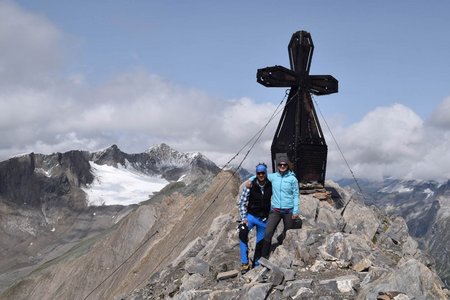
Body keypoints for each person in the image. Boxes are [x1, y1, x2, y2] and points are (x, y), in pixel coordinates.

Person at [246, 154, 300, 259]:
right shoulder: (273, 176)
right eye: (280, 164)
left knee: (288, 233)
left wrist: (296, 211)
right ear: (277, 165)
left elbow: (296, 195)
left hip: (289, 211)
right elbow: (261, 176)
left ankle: (285, 256)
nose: (282, 166)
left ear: (287, 165)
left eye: (284, 164)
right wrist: (250, 179)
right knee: (268, 233)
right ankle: (264, 257)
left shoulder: (293, 179)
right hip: (275, 210)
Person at [238, 163, 272, 274]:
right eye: (259, 173)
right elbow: (242, 202)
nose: (261, 175)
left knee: (260, 243)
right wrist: (244, 218)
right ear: (256, 173)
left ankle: (256, 265)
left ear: (266, 173)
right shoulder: (250, 185)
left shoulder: (270, 185)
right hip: (251, 216)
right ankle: (244, 263)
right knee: (242, 231)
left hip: (263, 219)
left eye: (263, 173)